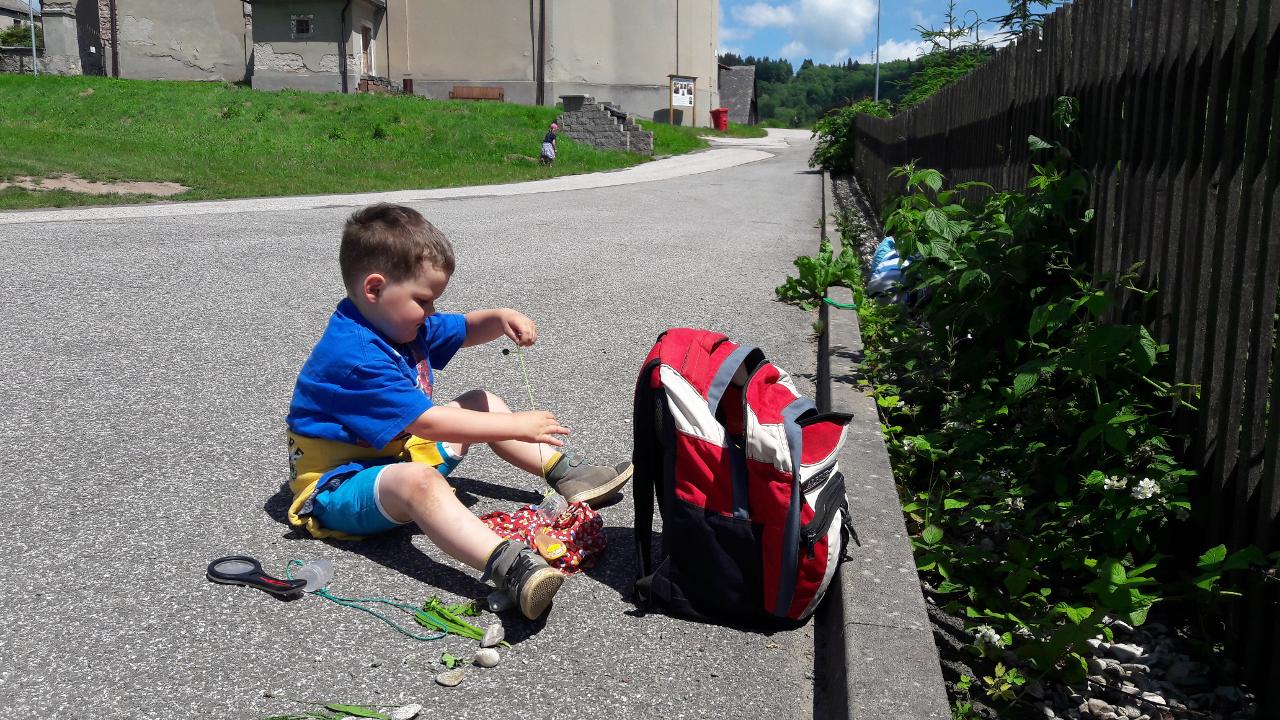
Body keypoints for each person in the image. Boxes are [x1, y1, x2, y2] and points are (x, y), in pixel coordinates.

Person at [284, 203, 632, 619]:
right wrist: (513, 424)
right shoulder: (356, 355)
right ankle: (511, 566)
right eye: (424, 300)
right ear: (374, 288)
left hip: (393, 456)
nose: (431, 312)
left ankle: (568, 475)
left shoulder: (395, 321)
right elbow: (429, 422)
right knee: (421, 481)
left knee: (481, 401)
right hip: (338, 489)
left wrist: (500, 318)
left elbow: (464, 328)